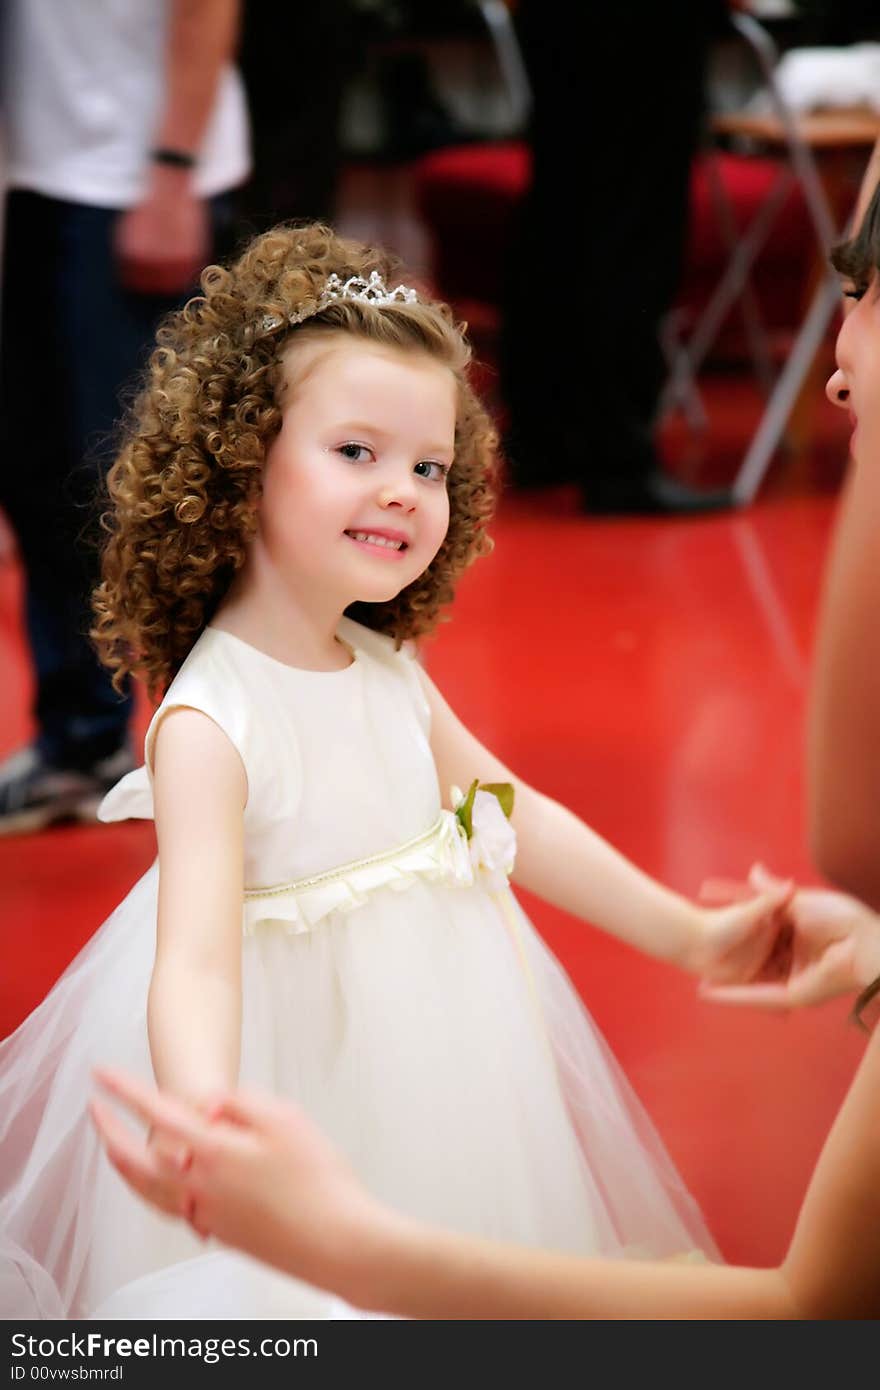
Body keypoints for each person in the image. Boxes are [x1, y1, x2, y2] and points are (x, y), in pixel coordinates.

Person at [90, 184, 880, 1319]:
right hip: (308, 1079)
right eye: (356, 450)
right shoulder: (215, 720)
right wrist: (209, 1114)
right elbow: (197, 959)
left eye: (427, 468)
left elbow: (513, 816)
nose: (400, 493)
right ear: (241, 459)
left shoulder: (385, 672)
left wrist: (688, 930)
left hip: (442, 1061)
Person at [0, 0, 247, 834]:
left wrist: (172, 172)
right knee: (41, 476)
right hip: (39, 175)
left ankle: (231, 749)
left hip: (134, 181)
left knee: (154, 491)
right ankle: (84, 739)